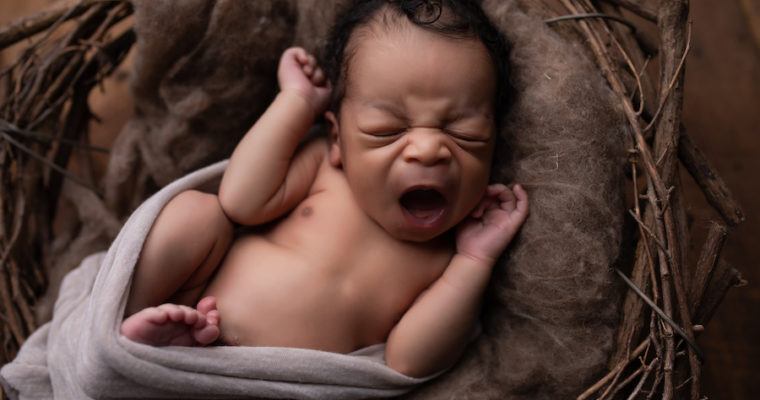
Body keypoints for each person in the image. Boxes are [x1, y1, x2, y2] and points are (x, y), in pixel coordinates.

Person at [120, 0, 529, 378]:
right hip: (195, 309)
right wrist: (296, 103)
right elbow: (240, 201)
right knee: (195, 213)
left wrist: (475, 262)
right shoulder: (324, 168)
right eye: (386, 131)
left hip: (282, 384)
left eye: (466, 134)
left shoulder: (450, 258)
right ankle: (128, 330)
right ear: (338, 140)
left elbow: (408, 361)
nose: (427, 150)